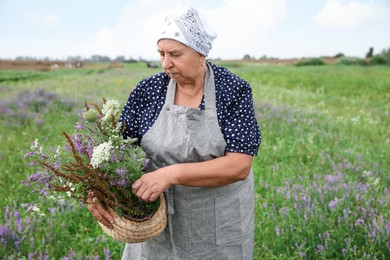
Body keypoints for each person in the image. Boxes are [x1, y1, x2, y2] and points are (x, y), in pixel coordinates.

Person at [87, 7, 261, 259]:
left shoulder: (232, 90)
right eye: (161, 54)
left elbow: (239, 165)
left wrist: (172, 174)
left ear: (200, 53)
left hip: (216, 219)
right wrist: (97, 190)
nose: (166, 63)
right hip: (153, 213)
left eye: (175, 54)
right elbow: (116, 151)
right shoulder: (148, 90)